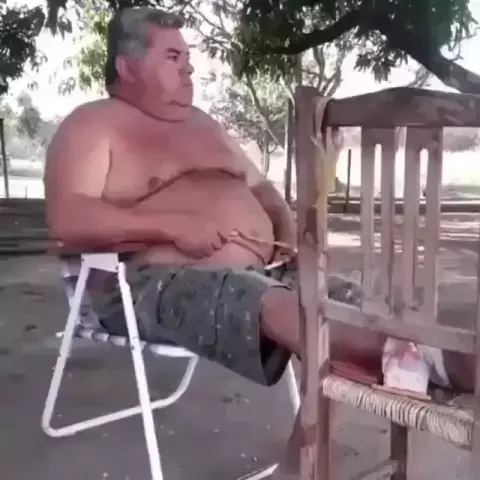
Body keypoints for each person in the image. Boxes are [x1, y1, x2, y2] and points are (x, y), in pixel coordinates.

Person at [44, 7, 473, 468]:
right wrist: (171, 227)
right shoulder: (94, 125)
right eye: (172, 57)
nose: (189, 67)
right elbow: (69, 220)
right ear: (128, 68)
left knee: (353, 301)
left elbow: (263, 189)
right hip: (145, 284)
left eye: (187, 56)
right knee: (281, 305)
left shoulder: (205, 126)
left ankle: (311, 451)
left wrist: (289, 238)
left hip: (260, 269)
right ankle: (444, 361)